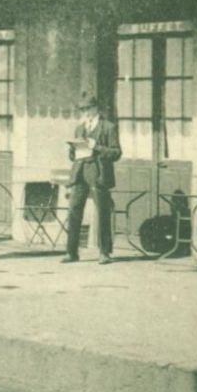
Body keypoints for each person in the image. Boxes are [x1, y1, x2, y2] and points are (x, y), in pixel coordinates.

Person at [63, 92, 122, 265]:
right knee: (74, 210)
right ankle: (71, 252)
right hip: (80, 172)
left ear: (96, 108)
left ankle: (104, 253)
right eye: (83, 109)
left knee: (102, 211)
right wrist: (73, 149)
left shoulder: (108, 127)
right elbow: (73, 156)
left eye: (88, 108)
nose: (86, 112)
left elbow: (116, 153)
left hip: (98, 172)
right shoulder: (80, 128)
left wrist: (96, 147)